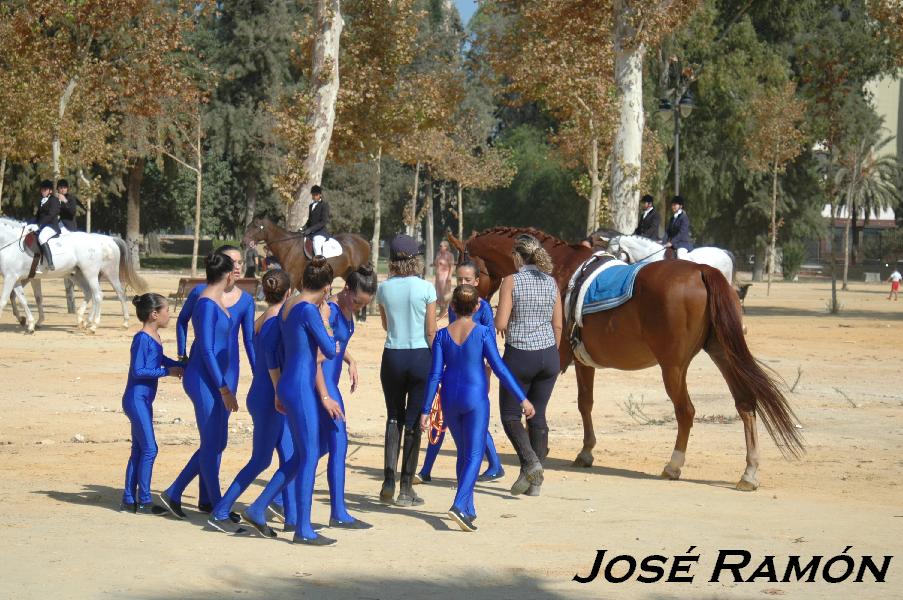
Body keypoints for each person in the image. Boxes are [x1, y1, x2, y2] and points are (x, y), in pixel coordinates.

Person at [240, 257, 338, 545]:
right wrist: (327, 322)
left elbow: (273, 350)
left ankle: (259, 507)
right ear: (327, 287)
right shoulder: (308, 310)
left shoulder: (289, 305)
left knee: (306, 451)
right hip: (300, 386)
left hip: (288, 384)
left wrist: (277, 387)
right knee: (309, 455)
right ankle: (303, 529)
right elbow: (330, 350)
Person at [420, 285, 535, 531]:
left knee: (464, 453)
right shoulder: (483, 332)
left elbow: (434, 375)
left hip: (450, 398)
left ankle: (469, 509)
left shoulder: (441, 335)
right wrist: (522, 398)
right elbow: (500, 368)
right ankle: (459, 505)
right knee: (474, 454)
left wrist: (426, 410)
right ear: (476, 308)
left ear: (452, 307)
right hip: (476, 399)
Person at [207, 269, 298, 534]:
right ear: (289, 292)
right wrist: (281, 393)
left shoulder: (263, 318)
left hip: (265, 393)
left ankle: (291, 516)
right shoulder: (275, 321)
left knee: (290, 457)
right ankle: (222, 511)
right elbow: (271, 358)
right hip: (271, 397)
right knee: (260, 461)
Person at [175, 245, 256, 513]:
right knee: (212, 442)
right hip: (206, 374)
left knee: (216, 441)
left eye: (240, 262)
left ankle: (205, 498)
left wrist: (261, 376)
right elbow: (187, 327)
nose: (237, 267)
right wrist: (182, 355)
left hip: (228, 373)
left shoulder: (244, 300)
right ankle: (210, 500)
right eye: (232, 262)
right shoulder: (204, 296)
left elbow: (249, 341)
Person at [160, 252, 240, 520]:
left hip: (212, 379)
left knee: (217, 442)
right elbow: (206, 348)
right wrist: (224, 389)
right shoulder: (206, 303)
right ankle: (216, 505)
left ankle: (174, 492)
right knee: (212, 443)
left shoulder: (214, 300)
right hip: (203, 379)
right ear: (228, 275)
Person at [417, 261, 506, 483]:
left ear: (477, 282)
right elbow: (452, 335)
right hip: (455, 373)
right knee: (445, 417)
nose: (463, 283)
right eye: (460, 279)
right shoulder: (453, 306)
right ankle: (427, 469)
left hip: (476, 374)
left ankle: (428, 470)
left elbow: (490, 345)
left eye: (468, 280)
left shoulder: (483, 307)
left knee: (470, 421)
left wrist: (487, 375)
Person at [495, 234, 562, 497]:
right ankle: (533, 481)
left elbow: (500, 324)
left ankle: (530, 461)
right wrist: (549, 351)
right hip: (548, 355)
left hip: (520, 354)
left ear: (517, 256)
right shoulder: (552, 282)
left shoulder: (511, 281)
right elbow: (558, 325)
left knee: (511, 415)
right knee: (538, 414)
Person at [312, 264, 378, 529]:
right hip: (324, 387)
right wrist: (325, 395)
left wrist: (350, 359)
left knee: (320, 447)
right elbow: (318, 348)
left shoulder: (348, 309)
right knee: (338, 444)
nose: (360, 308)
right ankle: (338, 511)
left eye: (365, 305)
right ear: (347, 290)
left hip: (332, 383)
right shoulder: (329, 309)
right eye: (358, 301)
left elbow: (338, 345)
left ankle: (278, 499)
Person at [377, 234, 437, 506]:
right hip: (419, 354)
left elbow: (386, 326)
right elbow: (431, 330)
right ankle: (405, 488)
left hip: (392, 355)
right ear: (416, 259)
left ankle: (388, 479)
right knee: (414, 422)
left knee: (393, 417)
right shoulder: (426, 288)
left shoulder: (384, 288)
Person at [121, 294, 184, 514]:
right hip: (136, 399)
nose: (170, 314)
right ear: (154, 314)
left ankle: (129, 500)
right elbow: (139, 371)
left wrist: (180, 364)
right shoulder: (142, 338)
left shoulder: (154, 336)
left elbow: (160, 359)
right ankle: (145, 501)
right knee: (150, 448)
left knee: (139, 450)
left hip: (144, 400)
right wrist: (167, 371)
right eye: (167, 310)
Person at [26, 180, 61, 273]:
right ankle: (35, 263)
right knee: (31, 236)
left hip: (52, 226)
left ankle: (50, 263)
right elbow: (37, 216)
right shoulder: (41, 200)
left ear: (50, 191)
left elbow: (51, 215)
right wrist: (27, 224)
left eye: (45, 190)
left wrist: (39, 225)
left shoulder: (54, 200)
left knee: (42, 237)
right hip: (42, 226)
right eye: (42, 190)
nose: (43, 191)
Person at [301, 185, 330, 256]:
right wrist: (303, 227)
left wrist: (310, 229)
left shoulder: (324, 205)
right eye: (313, 195)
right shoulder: (311, 205)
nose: (314, 197)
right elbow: (309, 220)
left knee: (316, 244)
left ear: (320, 195)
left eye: (316, 195)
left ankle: (319, 264)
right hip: (311, 232)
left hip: (320, 232)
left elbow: (323, 221)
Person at [434, 240, 455, 316]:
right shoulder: (438, 254)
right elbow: (436, 264)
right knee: (438, 294)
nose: (439, 247)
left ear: (446, 247)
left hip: (445, 277)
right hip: (438, 277)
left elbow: (452, 266)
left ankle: (445, 310)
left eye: (441, 246)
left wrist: (449, 276)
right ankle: (441, 310)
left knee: (445, 294)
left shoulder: (450, 255)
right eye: (439, 246)